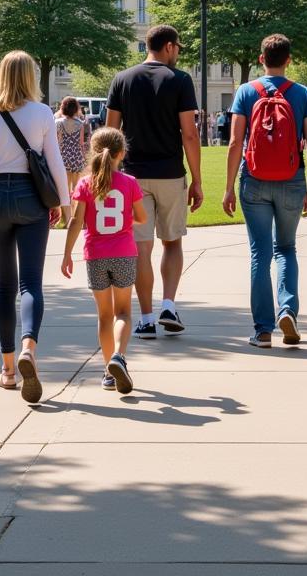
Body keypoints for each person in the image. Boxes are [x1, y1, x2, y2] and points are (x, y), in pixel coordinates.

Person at [0, 51, 70, 404]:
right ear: (31, 77)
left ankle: (8, 370)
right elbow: (54, 161)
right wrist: (63, 203)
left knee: (3, 286)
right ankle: (29, 348)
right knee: (30, 284)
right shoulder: (42, 114)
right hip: (31, 196)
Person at [222, 34, 307, 348]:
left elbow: (236, 143)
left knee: (259, 253)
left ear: (261, 58)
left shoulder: (246, 92)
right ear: (288, 60)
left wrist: (227, 189)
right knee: (287, 249)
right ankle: (288, 309)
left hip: (254, 179)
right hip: (292, 179)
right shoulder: (302, 94)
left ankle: (263, 330)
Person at [106, 24, 203, 339]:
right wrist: (197, 179)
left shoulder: (122, 79)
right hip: (170, 173)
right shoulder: (180, 80)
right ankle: (168, 305)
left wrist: (109, 175)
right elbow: (189, 133)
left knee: (139, 248)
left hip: (132, 175)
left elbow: (110, 134)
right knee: (172, 241)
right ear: (170, 47)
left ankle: (146, 317)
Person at [61, 127, 146, 392]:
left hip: (95, 255)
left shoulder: (86, 184)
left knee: (104, 315)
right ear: (122, 153)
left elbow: (76, 221)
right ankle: (120, 357)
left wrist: (66, 254)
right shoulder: (130, 182)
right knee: (123, 312)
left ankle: (108, 370)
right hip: (123, 253)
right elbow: (142, 217)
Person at [55, 96, 87, 227]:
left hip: (63, 158)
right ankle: (76, 216)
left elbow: (58, 142)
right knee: (76, 189)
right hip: (77, 158)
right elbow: (80, 143)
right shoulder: (80, 124)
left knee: (64, 189)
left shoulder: (58, 123)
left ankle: (64, 218)